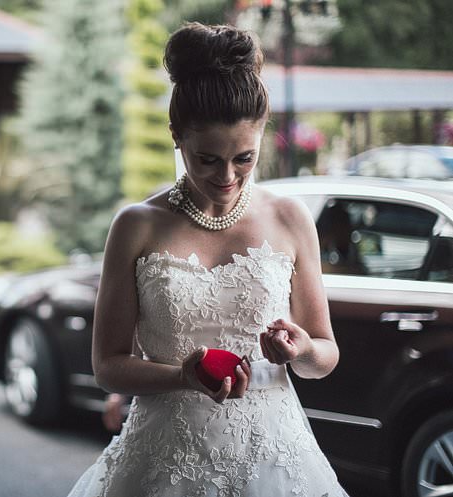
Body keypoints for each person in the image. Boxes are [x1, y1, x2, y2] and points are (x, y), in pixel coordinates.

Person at [67, 23, 348, 497]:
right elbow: (108, 366)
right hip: (163, 461)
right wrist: (181, 376)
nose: (228, 176)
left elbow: (325, 355)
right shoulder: (136, 226)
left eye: (244, 158)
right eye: (208, 159)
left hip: (274, 459)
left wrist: (301, 350)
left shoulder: (290, 218)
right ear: (177, 136)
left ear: (262, 138)